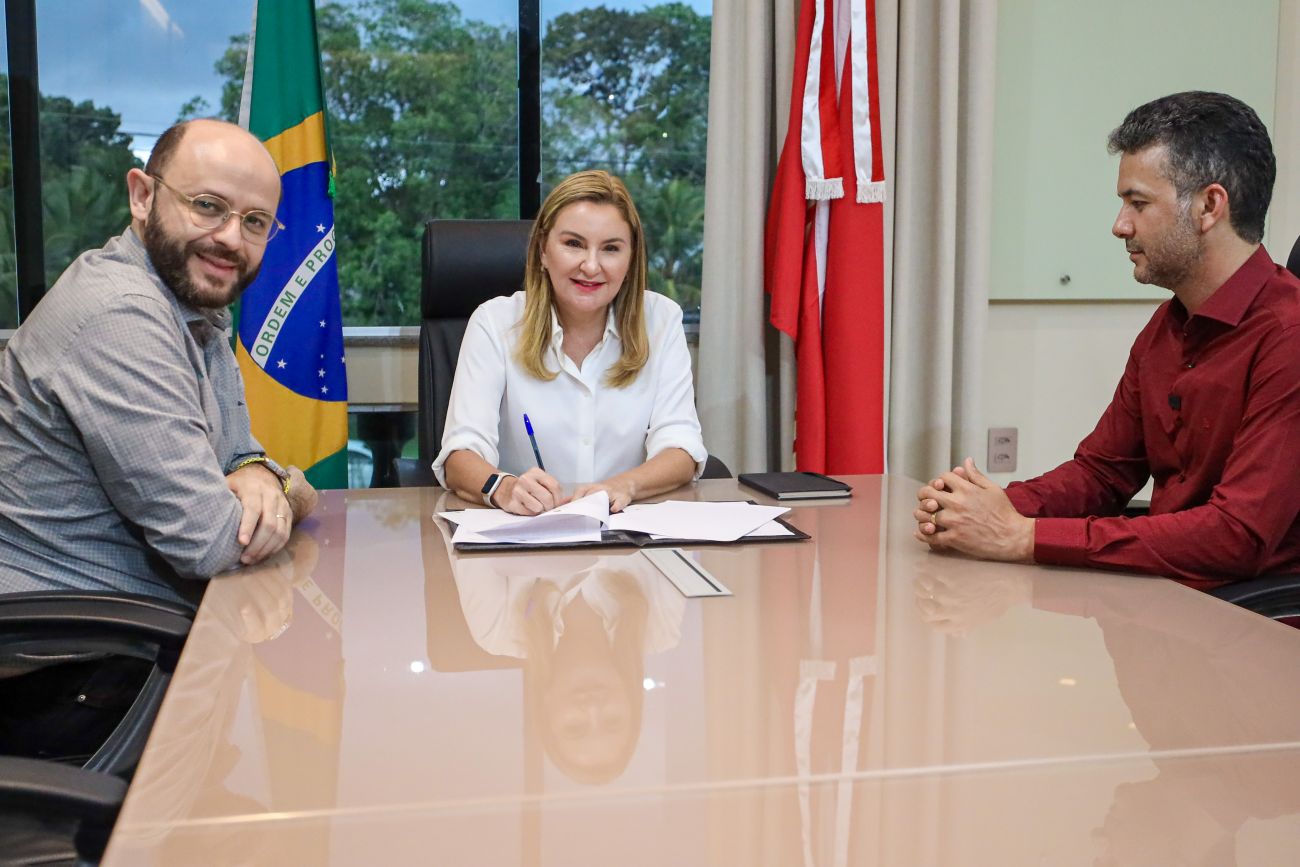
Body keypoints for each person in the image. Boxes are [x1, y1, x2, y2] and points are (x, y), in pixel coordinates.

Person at [914, 91, 1300, 585]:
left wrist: (1024, 537)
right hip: (1167, 599)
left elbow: (1236, 536)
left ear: (1209, 206)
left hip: (1251, 618)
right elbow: (1103, 473)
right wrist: (982, 510)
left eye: (1138, 203)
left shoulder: (1288, 336)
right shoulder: (1167, 325)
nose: (1120, 226)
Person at [0, 117, 318, 607]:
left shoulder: (194, 308)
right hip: (77, 631)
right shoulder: (120, 312)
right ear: (142, 196)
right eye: (207, 206)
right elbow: (212, 543)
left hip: (141, 610)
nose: (232, 239)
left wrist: (259, 473)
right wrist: (291, 492)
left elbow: (239, 457)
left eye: (255, 221)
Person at [433, 169, 707, 515]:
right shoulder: (495, 322)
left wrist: (625, 485)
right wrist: (505, 487)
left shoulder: (661, 320)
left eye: (610, 248)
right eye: (573, 244)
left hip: (625, 533)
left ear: (631, 258)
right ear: (543, 250)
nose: (591, 266)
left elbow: (681, 446)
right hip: (525, 532)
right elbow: (460, 454)